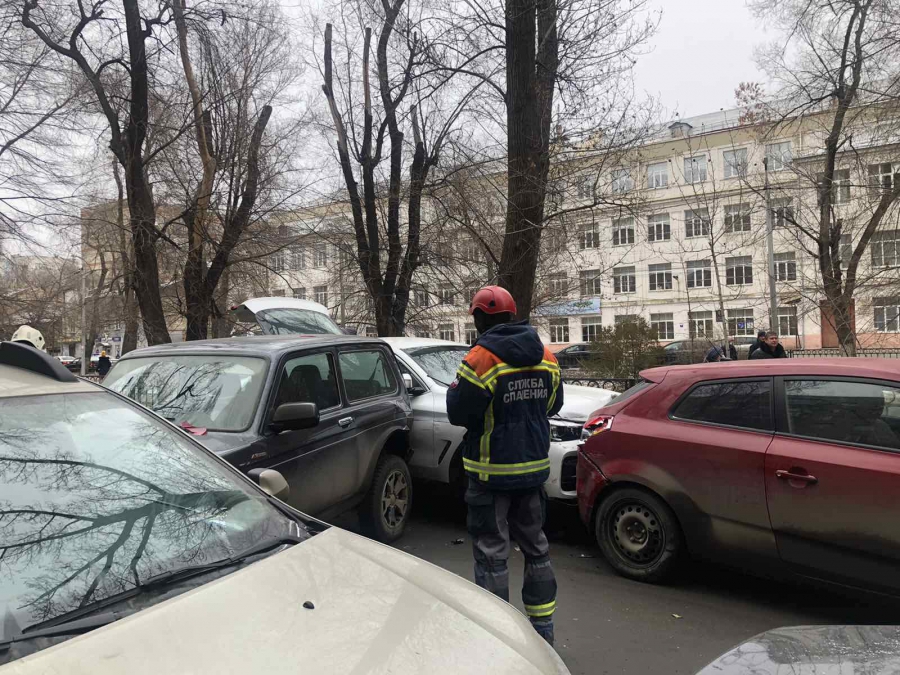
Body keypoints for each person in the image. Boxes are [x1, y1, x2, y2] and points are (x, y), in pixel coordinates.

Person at [446, 285, 563, 646]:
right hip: (531, 470)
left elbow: (459, 413)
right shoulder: (546, 355)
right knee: (536, 548)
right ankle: (543, 635)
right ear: (512, 316)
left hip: (489, 473)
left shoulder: (480, 359)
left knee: (492, 554)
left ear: (481, 318)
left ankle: (499, 641)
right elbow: (553, 405)